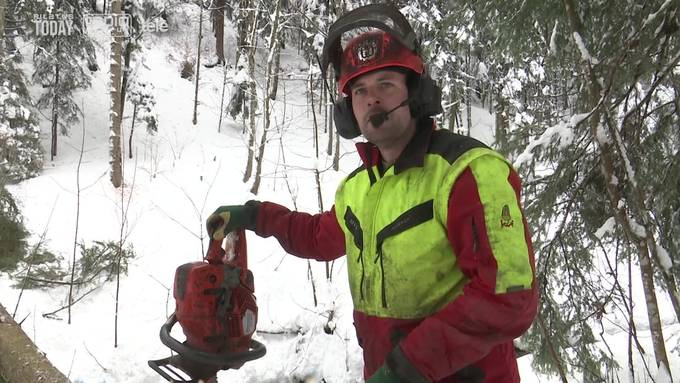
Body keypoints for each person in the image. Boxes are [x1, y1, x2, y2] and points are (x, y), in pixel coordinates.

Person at [206, 4, 538, 382]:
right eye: (359, 90)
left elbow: (509, 298)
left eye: (385, 84)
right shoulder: (360, 187)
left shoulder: (468, 173)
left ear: (415, 94)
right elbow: (317, 238)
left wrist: (408, 368)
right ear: (348, 110)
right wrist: (255, 215)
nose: (371, 100)